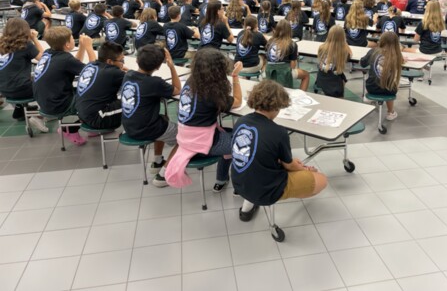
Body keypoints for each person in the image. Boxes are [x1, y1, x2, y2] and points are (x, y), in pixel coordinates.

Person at [231, 80, 327, 220]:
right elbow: (289, 165)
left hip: (239, 183)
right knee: (322, 180)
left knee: (275, 163)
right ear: (277, 106)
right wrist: (305, 170)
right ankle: (273, 196)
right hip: (264, 189)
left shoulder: (241, 121)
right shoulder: (278, 132)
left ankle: (248, 205)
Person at [166, 48, 242, 191]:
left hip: (185, 138)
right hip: (200, 142)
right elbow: (237, 101)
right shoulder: (211, 92)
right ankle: (239, 186)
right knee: (243, 144)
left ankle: (221, 179)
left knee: (231, 134)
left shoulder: (192, 81)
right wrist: (235, 76)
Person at [121, 45, 181, 187]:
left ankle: (158, 160)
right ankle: (164, 175)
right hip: (146, 129)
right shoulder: (155, 83)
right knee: (186, 137)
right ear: (159, 66)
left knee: (163, 119)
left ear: (137, 60)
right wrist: (172, 66)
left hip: (129, 126)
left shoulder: (128, 75)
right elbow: (178, 89)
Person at [33, 27, 96, 145]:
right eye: (72, 38)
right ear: (67, 45)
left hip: (45, 100)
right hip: (58, 104)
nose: (74, 39)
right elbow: (93, 71)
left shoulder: (48, 53)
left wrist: (81, 46)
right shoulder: (65, 59)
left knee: (86, 91)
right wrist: (88, 47)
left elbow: (74, 63)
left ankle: (90, 124)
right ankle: (70, 129)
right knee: (93, 99)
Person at [0, 18, 46, 130]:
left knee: (22, 77)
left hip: (4, 90)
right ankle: (39, 116)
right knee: (48, 83)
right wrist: (35, 38)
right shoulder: (25, 45)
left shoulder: (1, 43)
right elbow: (43, 58)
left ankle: (19, 111)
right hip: (22, 89)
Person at [75, 42, 127, 130]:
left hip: (81, 114)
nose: (123, 63)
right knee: (134, 102)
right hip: (98, 118)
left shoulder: (90, 65)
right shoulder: (113, 73)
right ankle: (143, 132)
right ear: (109, 61)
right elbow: (138, 82)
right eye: (121, 60)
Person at [360, 32, 403, 121]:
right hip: (389, 90)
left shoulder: (373, 51)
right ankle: (390, 112)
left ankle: (368, 97)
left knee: (372, 77)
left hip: (371, 87)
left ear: (381, 40)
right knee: (391, 83)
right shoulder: (397, 56)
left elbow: (362, 63)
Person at [265, 20, 309, 91]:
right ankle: (301, 95)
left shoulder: (270, 42)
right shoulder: (292, 44)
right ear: (289, 31)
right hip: (284, 73)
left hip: (269, 72)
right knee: (306, 75)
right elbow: (293, 66)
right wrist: (295, 57)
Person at [316, 26, 352, 97]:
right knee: (342, 78)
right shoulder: (344, 51)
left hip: (320, 80)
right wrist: (344, 42)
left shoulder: (321, 48)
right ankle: (340, 98)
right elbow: (349, 56)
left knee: (341, 76)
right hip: (335, 84)